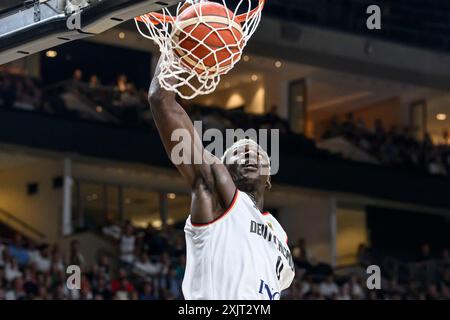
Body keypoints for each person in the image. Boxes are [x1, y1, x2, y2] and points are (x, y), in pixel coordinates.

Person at [148, 56, 295, 300]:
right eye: (237, 153)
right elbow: (160, 101)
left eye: (257, 153)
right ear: (223, 169)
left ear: (268, 178)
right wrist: (175, 51)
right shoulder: (217, 195)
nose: (248, 153)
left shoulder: (280, 235)